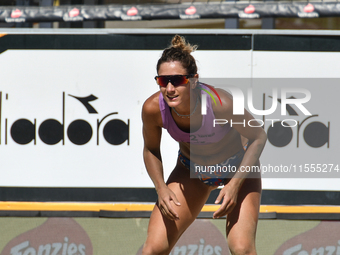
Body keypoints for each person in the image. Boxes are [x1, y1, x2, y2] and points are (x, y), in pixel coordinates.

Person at [141, 35, 267, 255]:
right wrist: (161, 188)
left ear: (194, 79)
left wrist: (234, 185)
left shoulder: (221, 102)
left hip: (237, 169)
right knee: (153, 249)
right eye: (163, 81)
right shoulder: (153, 109)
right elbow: (151, 149)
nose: (170, 88)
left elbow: (258, 136)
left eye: (177, 80)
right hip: (191, 170)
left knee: (242, 247)